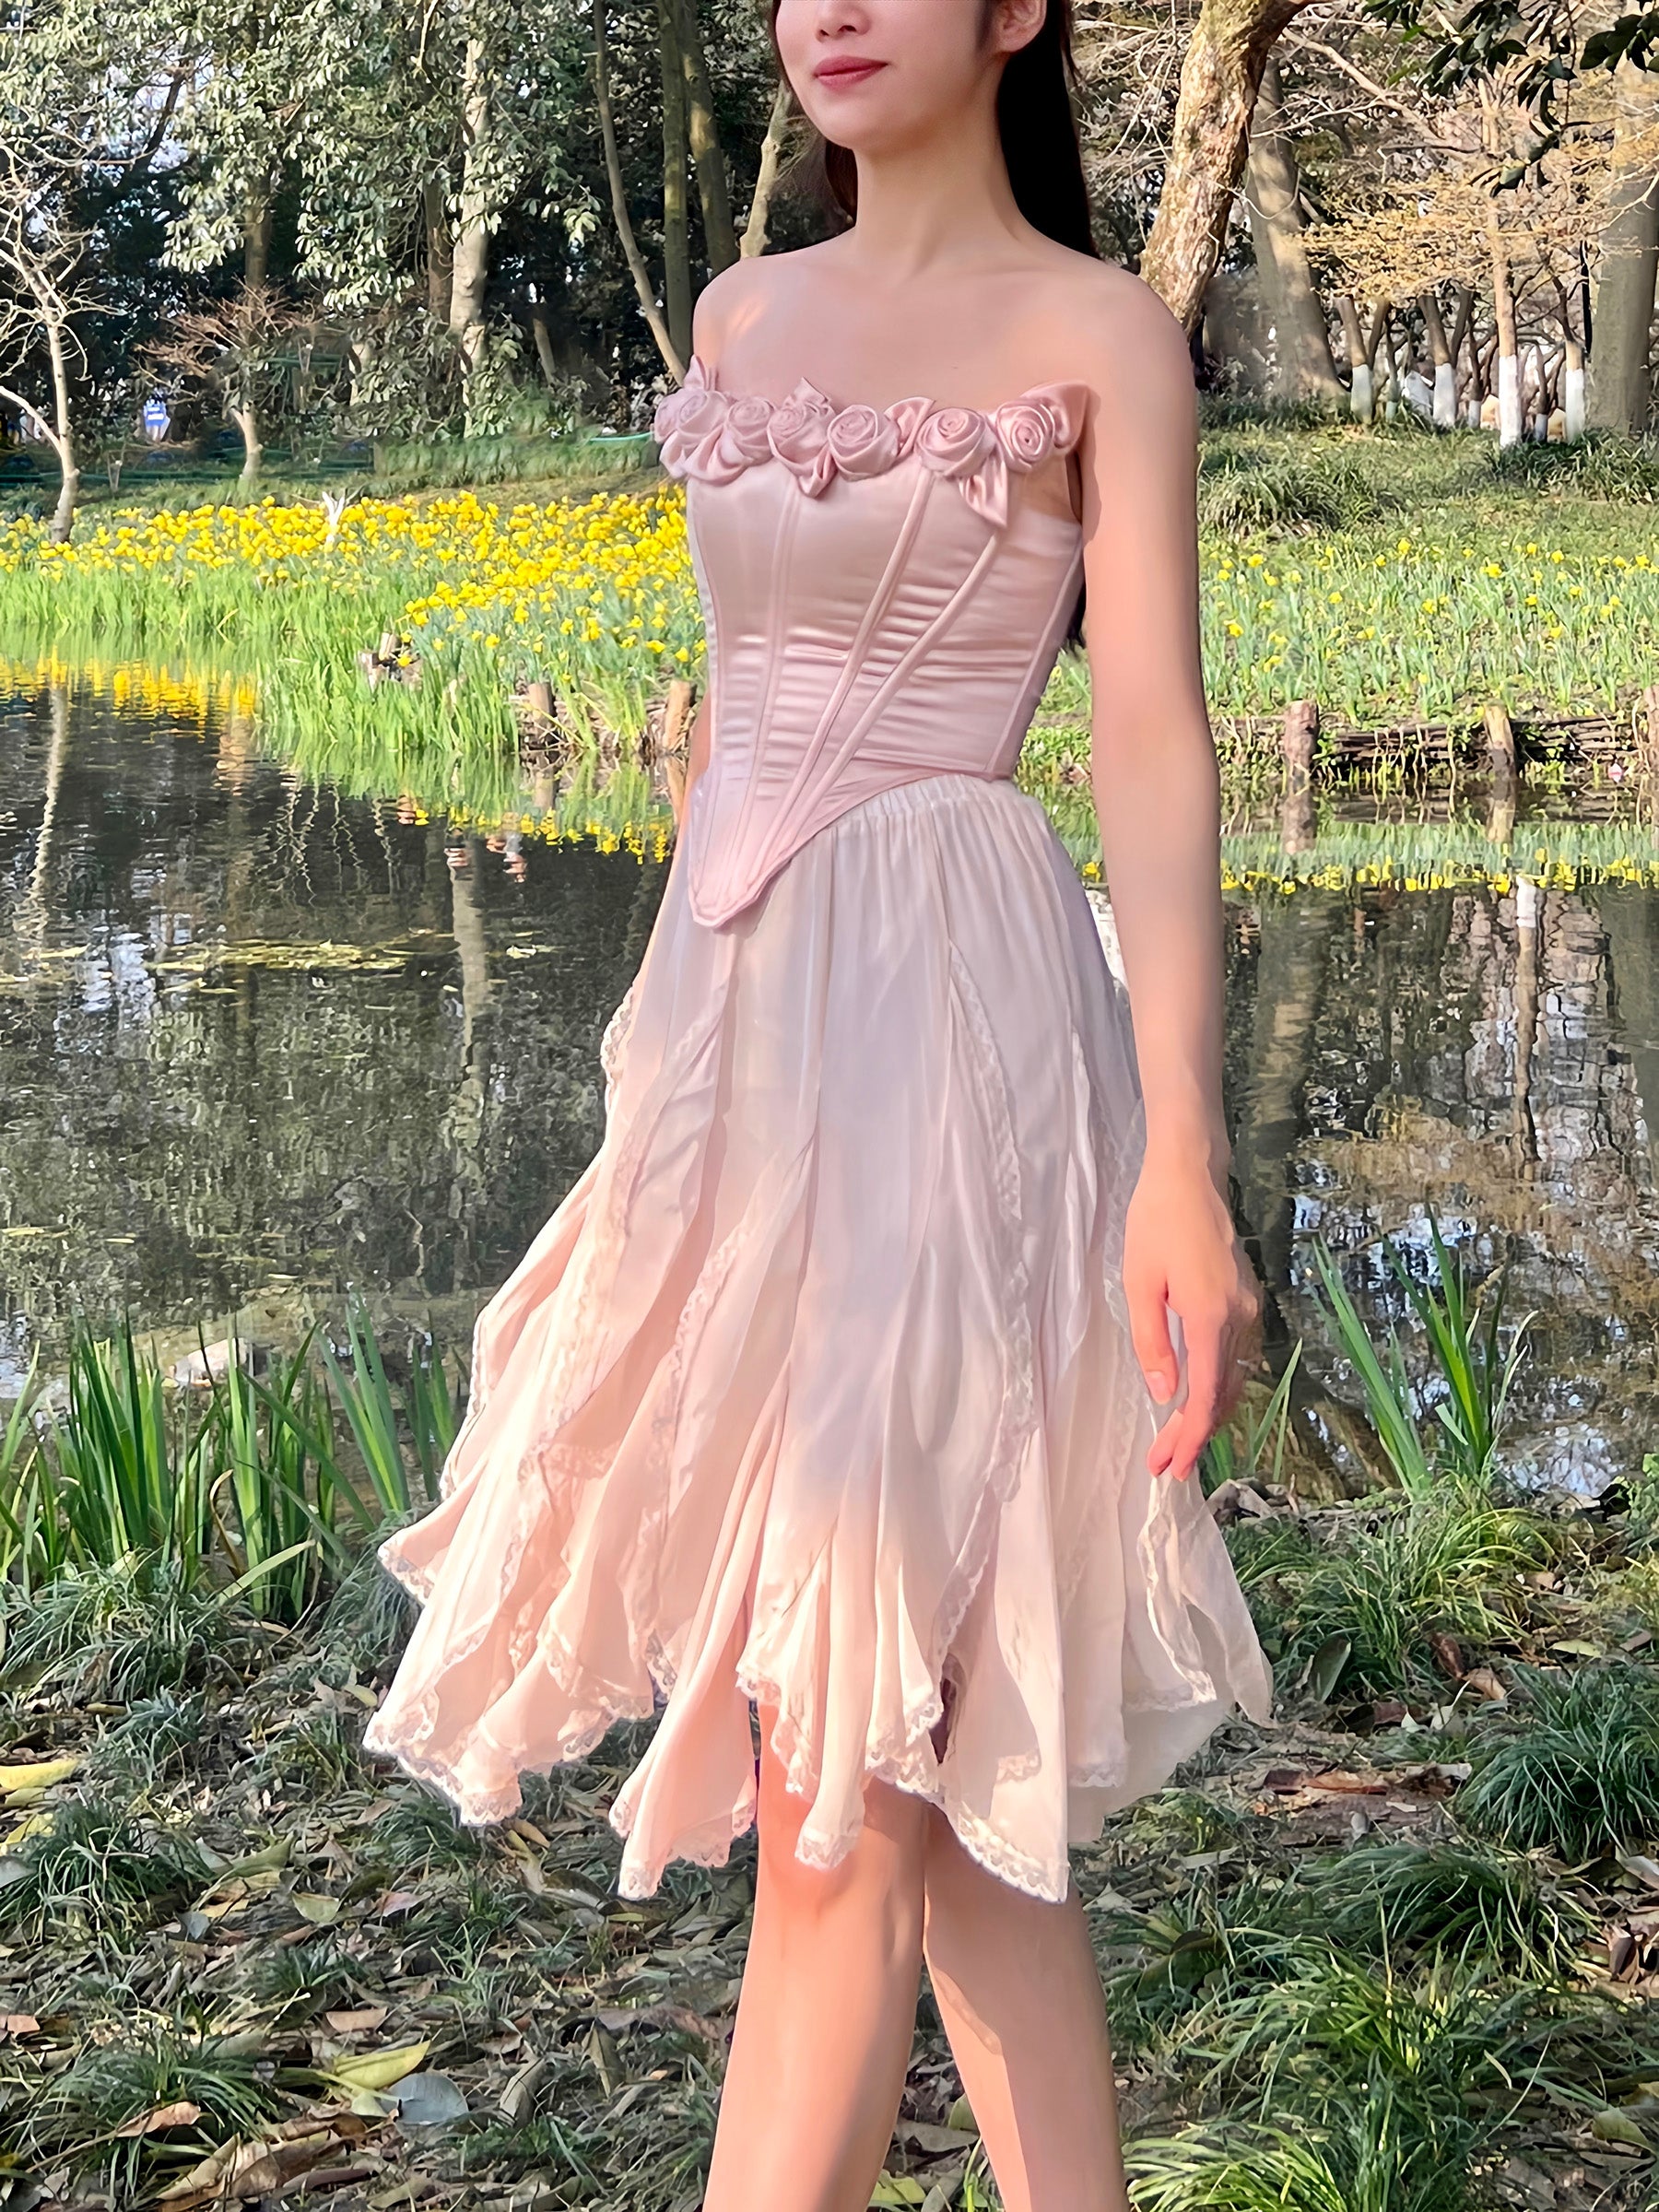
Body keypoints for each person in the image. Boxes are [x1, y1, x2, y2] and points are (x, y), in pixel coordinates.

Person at [363, 0, 1276, 2204]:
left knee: (840, 1775)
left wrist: (1181, 1154)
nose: (832, 13)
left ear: (1019, 10)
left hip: (959, 1035)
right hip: (741, 1047)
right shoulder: (743, 311)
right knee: (951, 1807)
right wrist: (675, 1038)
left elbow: (1150, 740)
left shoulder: (1098, 334)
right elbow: (730, 703)